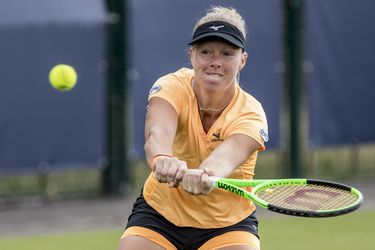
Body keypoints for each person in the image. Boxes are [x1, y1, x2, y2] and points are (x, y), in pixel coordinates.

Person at [118, 5, 268, 250]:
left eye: (227, 54)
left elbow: (226, 157)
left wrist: (206, 174)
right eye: (206, 52)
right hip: (160, 215)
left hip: (228, 224)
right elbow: (158, 133)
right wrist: (163, 158)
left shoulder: (251, 113)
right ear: (191, 55)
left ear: (243, 60)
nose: (215, 62)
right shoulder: (171, 86)